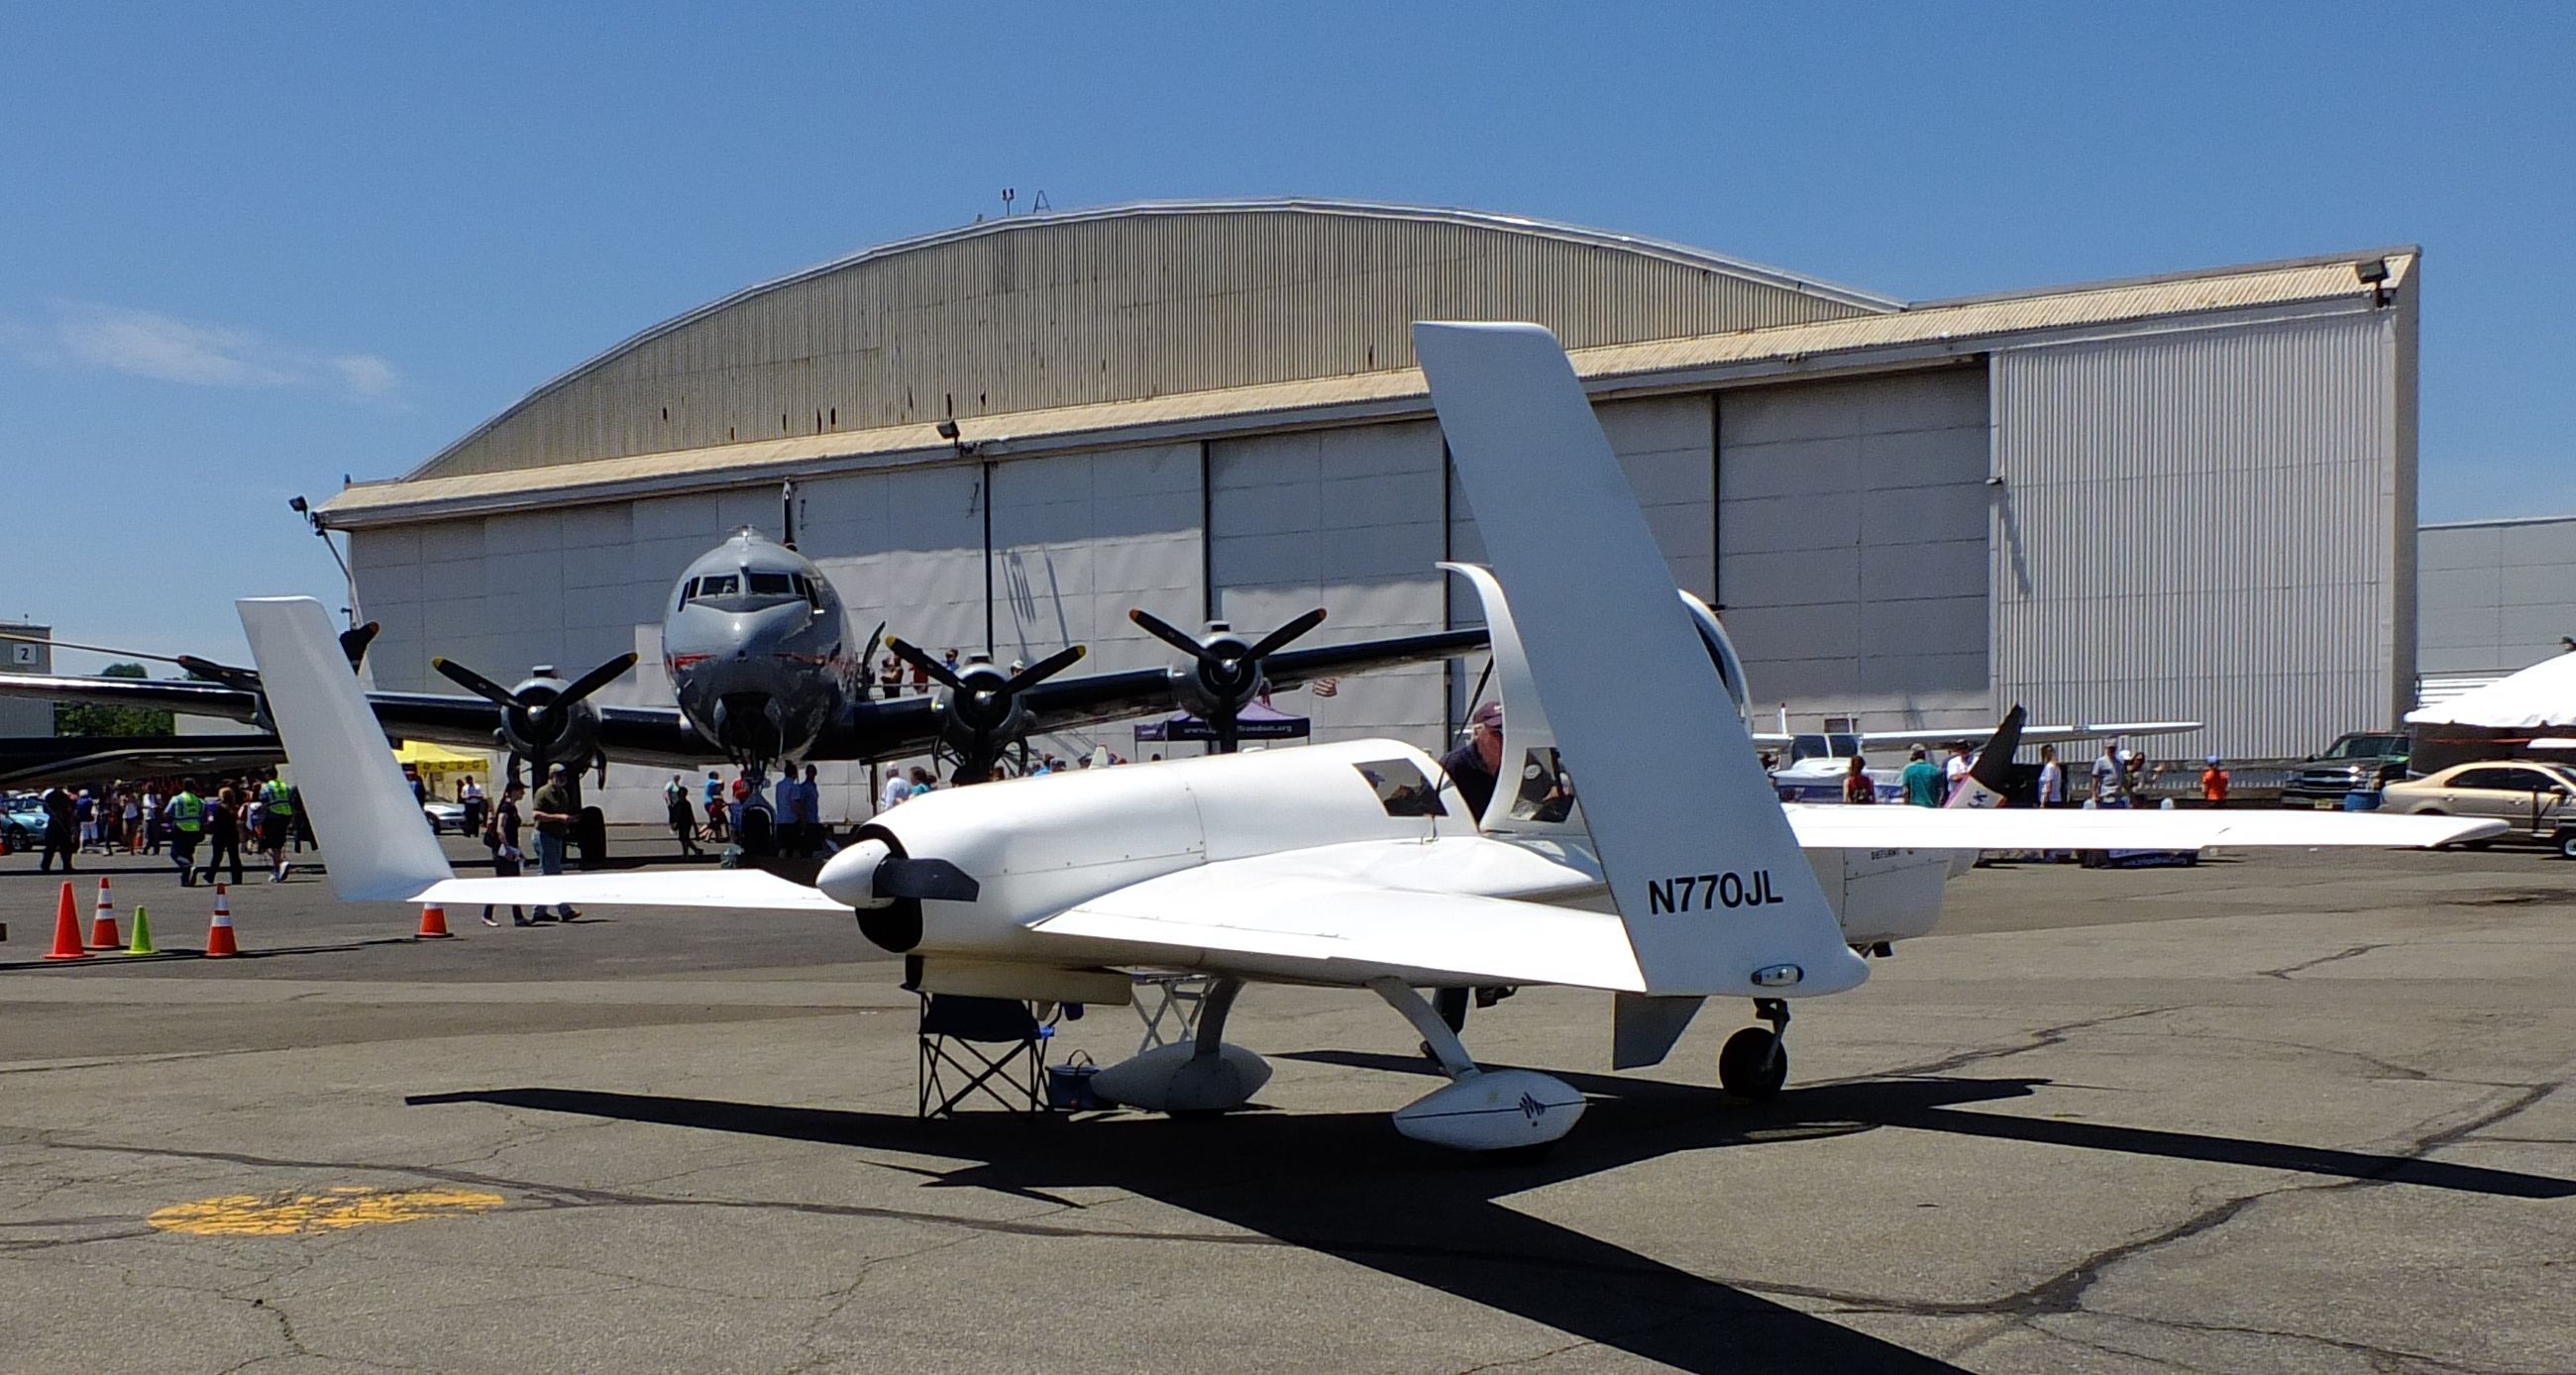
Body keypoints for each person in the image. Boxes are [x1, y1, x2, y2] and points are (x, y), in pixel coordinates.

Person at [528, 764, 582, 922]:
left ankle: (540, 911)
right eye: (558, 775)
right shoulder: (543, 792)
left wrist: (570, 820)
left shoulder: (563, 793)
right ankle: (563, 909)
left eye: (564, 775)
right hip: (545, 836)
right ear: (551, 776)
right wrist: (559, 818)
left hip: (556, 836)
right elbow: (536, 814)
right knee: (552, 874)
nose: (562, 778)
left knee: (547, 874)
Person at [1438, 700, 1506, 818]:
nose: (1504, 738)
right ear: (1476, 732)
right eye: (1497, 732)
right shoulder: (1453, 765)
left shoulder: (1522, 761)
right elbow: (1432, 809)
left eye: (1507, 732)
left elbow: (1543, 795)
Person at [482, 780, 529, 926]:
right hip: (503, 852)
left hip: (511, 849)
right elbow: (500, 830)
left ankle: (518, 916)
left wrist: (517, 851)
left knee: (513, 883)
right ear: (513, 791)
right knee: (501, 884)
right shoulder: (505, 808)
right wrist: (507, 849)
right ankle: (487, 914)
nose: (523, 793)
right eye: (521, 790)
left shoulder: (512, 808)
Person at [199, 785, 246, 886]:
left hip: (219, 834)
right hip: (232, 834)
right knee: (234, 857)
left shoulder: (217, 807)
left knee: (217, 857)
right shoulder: (235, 807)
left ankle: (210, 875)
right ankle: (237, 878)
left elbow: (211, 820)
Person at [165, 777, 207, 886]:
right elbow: (202, 814)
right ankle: (187, 880)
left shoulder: (177, 799)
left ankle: (188, 867)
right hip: (195, 829)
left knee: (176, 853)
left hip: (180, 827)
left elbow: (167, 812)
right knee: (188, 853)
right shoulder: (198, 800)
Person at [257, 772, 295, 881]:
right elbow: (291, 801)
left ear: (267, 776)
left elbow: (264, 803)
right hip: (286, 815)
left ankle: (278, 866)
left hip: (273, 814)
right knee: (279, 842)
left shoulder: (266, 787)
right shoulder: (284, 786)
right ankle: (278, 865)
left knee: (269, 843)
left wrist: (259, 818)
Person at [38, 783, 76, 873]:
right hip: (54, 825)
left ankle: (67, 866)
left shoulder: (64, 796)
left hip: (63, 824)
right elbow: (46, 809)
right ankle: (45, 866)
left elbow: (69, 809)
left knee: (66, 848)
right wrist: (55, 813)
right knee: (50, 848)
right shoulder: (50, 796)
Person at [665, 775, 704, 856]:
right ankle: (694, 850)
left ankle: (687, 853)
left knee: (685, 838)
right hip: (681, 823)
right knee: (683, 839)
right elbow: (675, 815)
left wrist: (694, 825)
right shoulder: (678, 804)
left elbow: (690, 814)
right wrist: (675, 823)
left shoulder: (686, 804)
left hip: (686, 823)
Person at [2091, 741, 2128, 807]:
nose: (2111, 750)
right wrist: (2094, 794)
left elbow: (2123, 780)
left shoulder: (2120, 763)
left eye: (2113, 748)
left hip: (2117, 796)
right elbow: (2095, 779)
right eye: (2110, 748)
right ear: (2106, 749)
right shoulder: (2100, 762)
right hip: (2105, 795)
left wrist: (2128, 794)